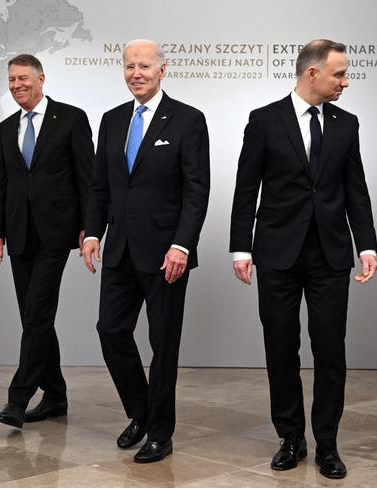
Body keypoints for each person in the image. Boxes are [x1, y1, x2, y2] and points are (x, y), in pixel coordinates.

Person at [229, 39, 377, 479]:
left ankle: (328, 444)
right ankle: (290, 437)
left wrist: (366, 245)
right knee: (281, 348)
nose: (345, 82)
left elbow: (356, 189)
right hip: (276, 254)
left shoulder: (347, 123)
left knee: (330, 352)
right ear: (312, 73)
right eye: (339, 73)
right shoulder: (264, 120)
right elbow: (245, 189)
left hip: (330, 255)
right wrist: (242, 247)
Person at [82, 39, 210, 463]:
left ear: (162, 70)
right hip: (118, 249)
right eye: (130, 66)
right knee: (110, 331)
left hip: (166, 254)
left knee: (163, 344)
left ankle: (160, 431)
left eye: (145, 66)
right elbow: (100, 185)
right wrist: (91, 234)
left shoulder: (189, 120)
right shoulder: (112, 119)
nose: (136, 73)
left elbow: (197, 190)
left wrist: (182, 245)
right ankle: (139, 411)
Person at [0, 54, 94, 428]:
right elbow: (1, 185)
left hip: (56, 232)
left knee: (35, 314)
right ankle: (56, 396)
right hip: (17, 234)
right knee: (36, 318)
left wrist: (89, 226)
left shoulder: (71, 118)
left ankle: (17, 401)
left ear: (41, 79)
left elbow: (87, 178)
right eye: (12, 79)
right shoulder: (4, 128)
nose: (17, 85)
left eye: (23, 78)